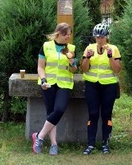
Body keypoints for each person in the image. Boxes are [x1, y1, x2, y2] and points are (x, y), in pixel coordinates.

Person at [32, 22, 77, 156]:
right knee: (50, 113)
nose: (68, 37)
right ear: (58, 34)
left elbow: (74, 69)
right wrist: (43, 80)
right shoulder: (46, 46)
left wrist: (72, 63)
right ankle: (54, 145)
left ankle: (39, 137)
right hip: (48, 84)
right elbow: (40, 67)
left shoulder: (71, 48)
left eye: (70, 34)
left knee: (59, 110)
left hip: (64, 84)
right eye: (66, 34)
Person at [81, 23, 121, 155]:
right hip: (92, 84)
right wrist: (87, 57)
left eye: (102, 37)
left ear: (106, 37)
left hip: (109, 85)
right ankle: (90, 144)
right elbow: (84, 68)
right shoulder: (89, 48)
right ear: (94, 37)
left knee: (106, 114)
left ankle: (105, 143)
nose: (100, 40)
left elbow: (117, 69)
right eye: (98, 37)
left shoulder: (113, 49)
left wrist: (110, 57)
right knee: (92, 114)